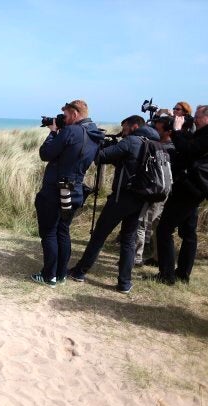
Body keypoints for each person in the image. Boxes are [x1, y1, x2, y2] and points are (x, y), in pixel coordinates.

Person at [68, 115, 161, 294]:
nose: (122, 129)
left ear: (134, 126)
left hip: (122, 198)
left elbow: (101, 157)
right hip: (142, 199)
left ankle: (79, 272)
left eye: (124, 126)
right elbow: (130, 163)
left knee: (99, 235)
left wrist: (99, 143)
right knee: (128, 240)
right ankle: (124, 283)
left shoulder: (132, 141)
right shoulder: (154, 143)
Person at [30, 100, 103, 287]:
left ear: (75, 114)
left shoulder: (71, 131)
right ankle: (61, 274)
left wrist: (53, 132)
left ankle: (49, 276)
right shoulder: (95, 134)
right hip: (76, 190)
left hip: (55, 190)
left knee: (49, 233)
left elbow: (45, 154)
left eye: (67, 115)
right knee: (63, 231)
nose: (65, 119)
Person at [155, 105, 208, 284]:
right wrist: (181, 130)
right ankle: (183, 273)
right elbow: (190, 145)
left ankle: (167, 275)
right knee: (188, 232)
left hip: (189, 187)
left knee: (164, 229)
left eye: (198, 116)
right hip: (194, 186)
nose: (195, 119)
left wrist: (176, 131)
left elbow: (189, 149)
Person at [134, 111, 176, 266]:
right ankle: (158, 257)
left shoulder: (165, 148)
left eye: (158, 129)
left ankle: (136, 257)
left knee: (143, 223)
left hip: (156, 190)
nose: (154, 131)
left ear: (168, 131)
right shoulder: (170, 146)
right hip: (165, 190)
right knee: (157, 224)